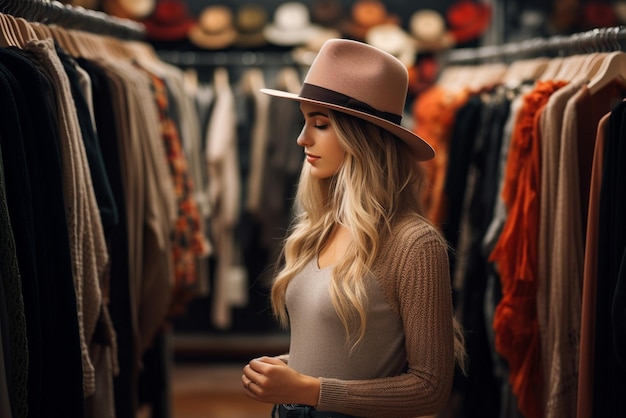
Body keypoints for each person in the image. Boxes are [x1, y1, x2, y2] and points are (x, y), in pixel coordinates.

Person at [241, 38, 466, 418]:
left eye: (321, 124)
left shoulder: (414, 243)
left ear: (363, 139)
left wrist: (309, 389)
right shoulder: (318, 228)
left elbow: (430, 388)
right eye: (305, 121)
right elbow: (345, 353)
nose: (302, 139)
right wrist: (288, 368)